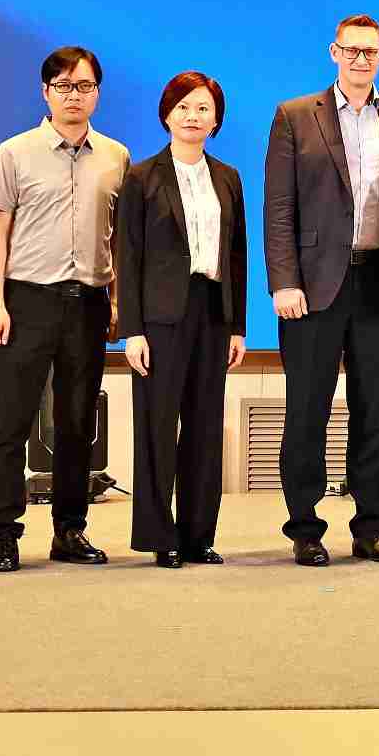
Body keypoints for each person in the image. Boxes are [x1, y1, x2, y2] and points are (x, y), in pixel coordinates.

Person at [265, 14, 379, 567]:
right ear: (334, 52)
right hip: (313, 287)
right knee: (306, 411)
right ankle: (305, 528)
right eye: (352, 50)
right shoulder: (295, 116)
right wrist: (284, 281)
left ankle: (371, 527)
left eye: (371, 52)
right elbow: (279, 208)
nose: (362, 60)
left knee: (374, 411)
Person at [0, 46, 130, 572]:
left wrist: (117, 301)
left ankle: (69, 529)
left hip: (89, 303)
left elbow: (120, 238)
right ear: (45, 92)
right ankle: (5, 533)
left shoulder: (116, 156)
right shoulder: (14, 153)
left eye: (84, 86)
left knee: (77, 423)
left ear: (97, 94)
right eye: (63, 86)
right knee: (13, 421)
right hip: (28, 300)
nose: (74, 95)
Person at [115, 72, 248, 568]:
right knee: (157, 426)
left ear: (216, 120)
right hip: (159, 318)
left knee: (204, 427)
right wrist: (132, 330)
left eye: (204, 108)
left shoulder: (228, 177)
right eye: (184, 107)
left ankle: (197, 535)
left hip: (212, 311)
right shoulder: (142, 177)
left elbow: (237, 255)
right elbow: (127, 257)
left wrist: (238, 326)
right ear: (167, 114)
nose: (193, 116)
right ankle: (159, 535)